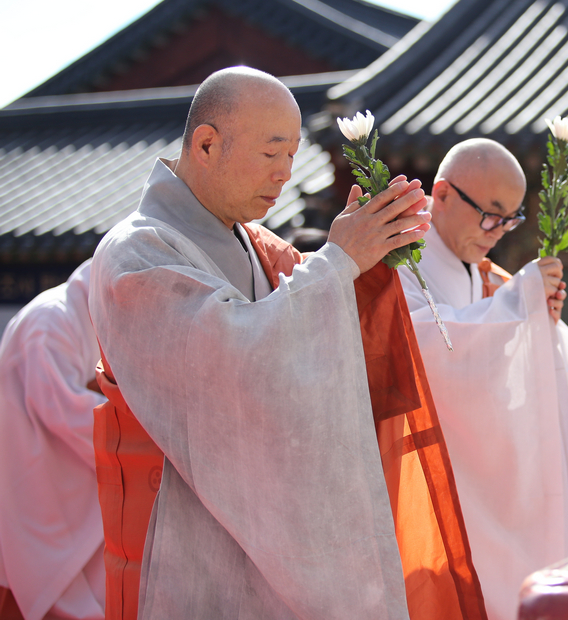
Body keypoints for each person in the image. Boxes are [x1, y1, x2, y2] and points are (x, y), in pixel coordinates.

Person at [88, 66, 484, 619]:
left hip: (270, 542)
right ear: (206, 143)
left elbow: (329, 328)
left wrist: (365, 261)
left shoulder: (259, 246)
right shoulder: (136, 253)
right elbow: (229, 363)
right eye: (271, 154)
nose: (285, 174)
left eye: (293, 156)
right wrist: (338, 261)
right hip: (181, 545)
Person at [398, 138, 568, 620]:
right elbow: (422, 348)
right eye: (490, 215)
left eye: (510, 220)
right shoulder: (394, 257)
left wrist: (537, 319)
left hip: (487, 475)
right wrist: (517, 307)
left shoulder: (488, 279)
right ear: (441, 194)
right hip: (423, 468)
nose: (498, 232)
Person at [0, 260, 106, 620]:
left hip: (54, 470)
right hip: (37, 473)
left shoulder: (68, 318)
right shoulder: (51, 320)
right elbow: (67, 413)